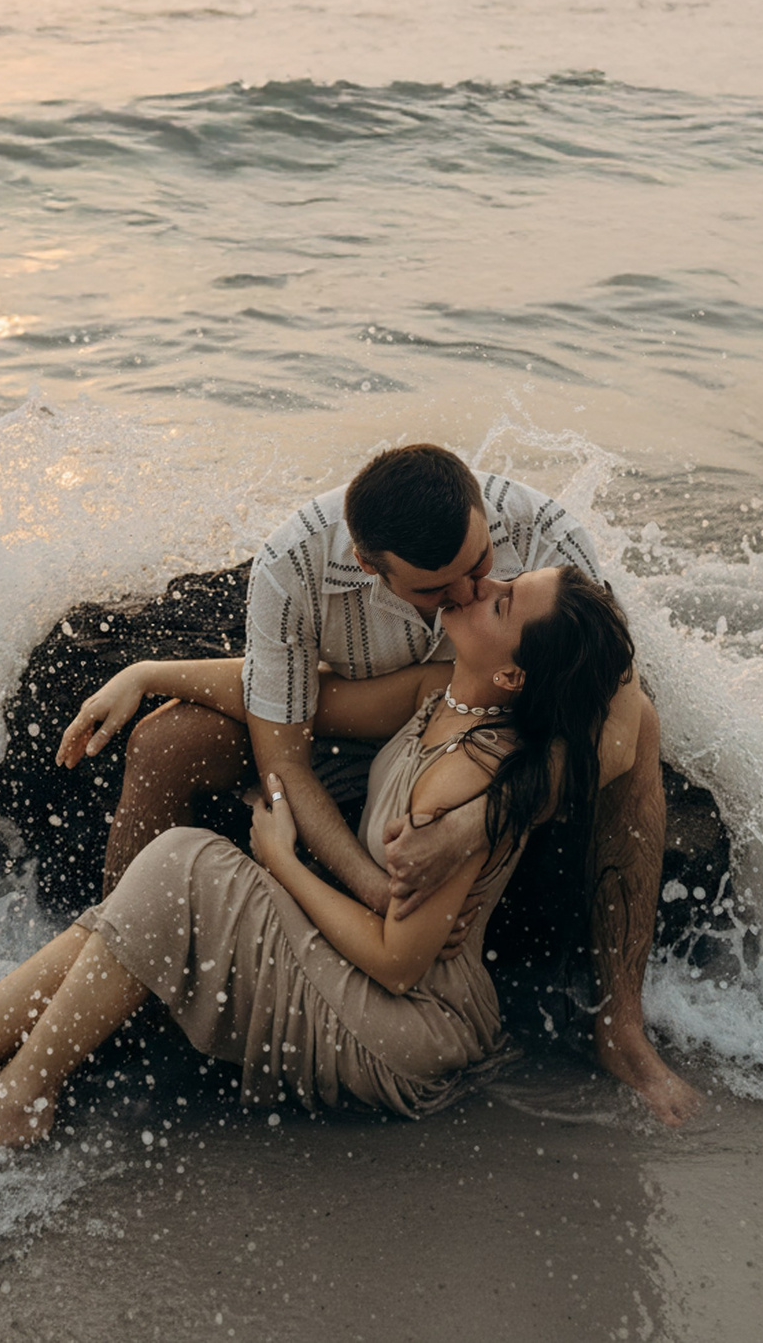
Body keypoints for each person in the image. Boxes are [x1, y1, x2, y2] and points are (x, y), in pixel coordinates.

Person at [0, 566, 638, 1155]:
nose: (487, 582)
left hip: (405, 1031)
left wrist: (281, 859)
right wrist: (150, 672)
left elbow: (402, 960)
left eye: (506, 601)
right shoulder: (434, 695)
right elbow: (291, 696)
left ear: (516, 675)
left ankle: (6, 1096)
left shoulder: (471, 776)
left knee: (181, 863)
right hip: (380, 991)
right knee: (128, 914)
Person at [64, 443, 699, 1124]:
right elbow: (289, 742)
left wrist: (474, 823)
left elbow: (618, 728)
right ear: (371, 565)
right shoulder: (296, 562)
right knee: (165, 740)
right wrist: (378, 887)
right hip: (366, 718)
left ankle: (621, 1028)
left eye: (482, 567)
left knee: (648, 726)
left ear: (484, 514)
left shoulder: (548, 538)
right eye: (436, 589)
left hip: (472, 744)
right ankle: (124, 990)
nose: (467, 594)